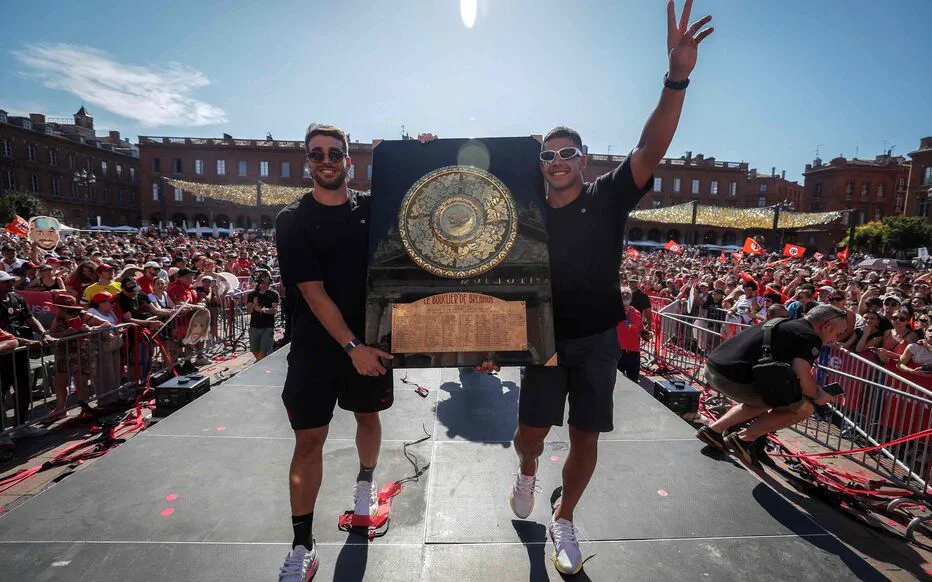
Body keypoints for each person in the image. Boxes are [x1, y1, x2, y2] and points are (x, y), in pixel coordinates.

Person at [505, 4, 713, 574]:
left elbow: (652, 147)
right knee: (530, 434)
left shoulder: (609, 196)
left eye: (568, 152)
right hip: (542, 339)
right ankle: (526, 472)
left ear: (585, 159)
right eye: (548, 155)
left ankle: (564, 516)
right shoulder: (522, 212)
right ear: (541, 165)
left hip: (598, 337)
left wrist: (676, 78)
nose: (558, 161)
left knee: (586, 435)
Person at [275, 123, 395, 581]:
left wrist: (419, 154)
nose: (325, 161)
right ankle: (302, 544)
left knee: (368, 417)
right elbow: (312, 290)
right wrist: (352, 347)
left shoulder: (372, 210)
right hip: (318, 347)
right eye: (316, 154)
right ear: (308, 161)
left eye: (334, 153)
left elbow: (418, 204)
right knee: (309, 441)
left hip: (371, 339)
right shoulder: (293, 219)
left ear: (348, 159)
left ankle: (365, 484)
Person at [695, 304, 849, 465]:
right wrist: (819, 395)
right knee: (804, 408)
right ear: (827, 327)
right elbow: (802, 375)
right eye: (837, 334)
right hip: (731, 378)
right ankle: (743, 439)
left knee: (771, 397)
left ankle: (713, 431)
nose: (835, 340)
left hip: (713, 367)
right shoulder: (810, 336)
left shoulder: (781, 322)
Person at [0, 270, 52, 439]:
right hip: (3, 353)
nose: (10, 283)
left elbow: (30, 318)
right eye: (6, 281)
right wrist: (25, 342)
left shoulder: (17, 298)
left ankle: (20, 426)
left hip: (20, 353)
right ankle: (2, 434)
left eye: (11, 280)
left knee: (24, 388)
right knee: (2, 391)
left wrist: (44, 333)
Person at [247, 269, 279, 361]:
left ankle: (259, 367)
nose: (263, 280)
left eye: (265, 277)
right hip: (254, 325)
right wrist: (254, 304)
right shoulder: (252, 295)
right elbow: (249, 311)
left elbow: (274, 310)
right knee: (254, 350)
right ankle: (260, 365)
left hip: (267, 326)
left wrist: (262, 310)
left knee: (263, 351)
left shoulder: (273, 294)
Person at [616, 286, 645, 382]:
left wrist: (646, 334)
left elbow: (640, 330)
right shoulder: (613, 312)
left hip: (634, 352)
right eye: (622, 293)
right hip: (618, 352)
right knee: (617, 383)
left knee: (633, 381)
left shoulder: (637, 313)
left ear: (631, 298)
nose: (625, 295)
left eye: (628, 293)